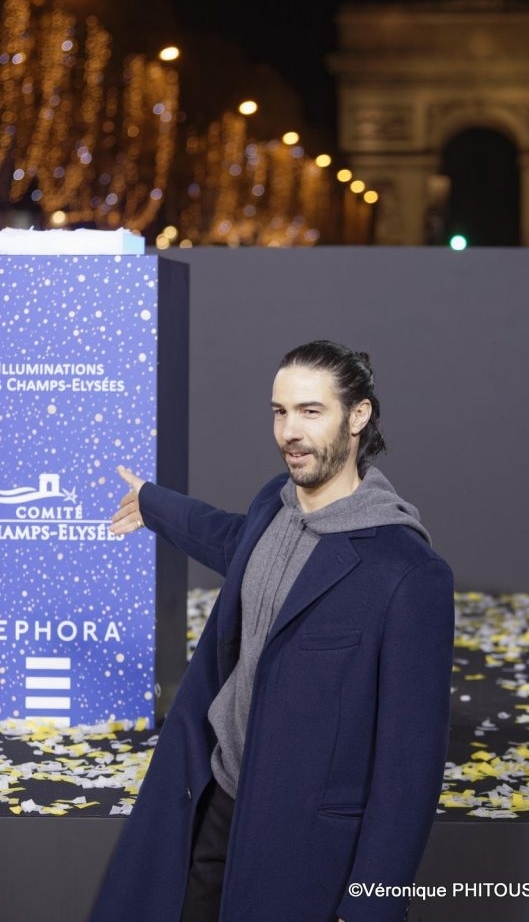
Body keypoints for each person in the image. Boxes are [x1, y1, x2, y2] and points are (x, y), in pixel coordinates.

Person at [90, 339, 455, 922]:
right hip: (213, 805)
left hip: (301, 852)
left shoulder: (408, 573)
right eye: (280, 412)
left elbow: (408, 775)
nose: (290, 431)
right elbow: (232, 541)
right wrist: (154, 505)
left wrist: (371, 907)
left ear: (358, 416)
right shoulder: (275, 504)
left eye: (311, 411)